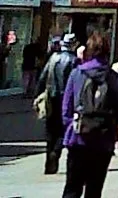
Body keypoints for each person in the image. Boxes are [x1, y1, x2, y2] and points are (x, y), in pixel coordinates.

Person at [60, 28, 118, 198]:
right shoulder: (114, 78)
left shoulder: (77, 74)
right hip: (103, 140)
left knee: (72, 188)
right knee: (94, 190)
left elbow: (66, 110)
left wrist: (72, 127)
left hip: (78, 138)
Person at [39, 32, 79, 175]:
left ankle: (48, 161)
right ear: (73, 45)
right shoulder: (74, 60)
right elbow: (76, 82)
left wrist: (40, 94)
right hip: (65, 99)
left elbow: (42, 77)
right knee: (63, 130)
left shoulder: (53, 58)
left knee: (50, 130)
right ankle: (55, 153)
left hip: (51, 97)